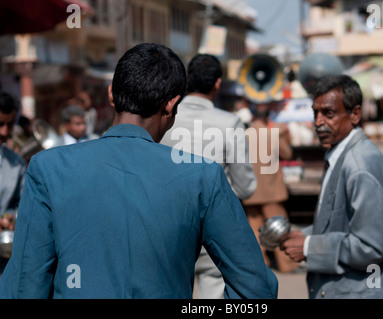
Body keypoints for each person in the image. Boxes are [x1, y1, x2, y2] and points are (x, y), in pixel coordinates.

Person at [0, 43, 277, 299]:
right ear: (171, 104)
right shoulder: (203, 175)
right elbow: (255, 288)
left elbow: (25, 286)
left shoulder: (47, 168)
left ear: (111, 94)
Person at [280, 75, 383, 298]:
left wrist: (309, 247)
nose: (318, 122)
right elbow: (341, 224)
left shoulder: (359, 164)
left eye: (328, 114)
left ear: (355, 114)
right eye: (315, 113)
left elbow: (372, 245)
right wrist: (305, 235)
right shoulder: (340, 155)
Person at [160, 54, 257, 299]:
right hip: (213, 229)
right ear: (217, 84)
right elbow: (245, 187)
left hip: (167, 226)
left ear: (186, 82)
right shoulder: (230, 122)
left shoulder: (163, 117)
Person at [242, 100, 299, 273]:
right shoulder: (272, 134)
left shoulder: (244, 135)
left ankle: (260, 265)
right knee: (280, 230)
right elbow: (288, 154)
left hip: (251, 191)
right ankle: (287, 265)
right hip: (272, 191)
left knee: (254, 230)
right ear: (268, 117)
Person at [0, 92, 26, 273]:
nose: (4, 132)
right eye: (0, 124)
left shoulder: (16, 163)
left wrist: (11, 217)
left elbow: (19, 202)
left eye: (9, 125)